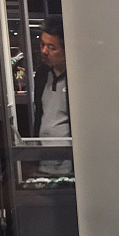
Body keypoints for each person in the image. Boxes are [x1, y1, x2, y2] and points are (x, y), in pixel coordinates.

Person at [33, 15, 72, 177]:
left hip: (70, 164)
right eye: (42, 44)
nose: (44, 51)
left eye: (52, 47)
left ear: (66, 49)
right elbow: (39, 114)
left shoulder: (77, 78)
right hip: (44, 161)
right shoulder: (42, 73)